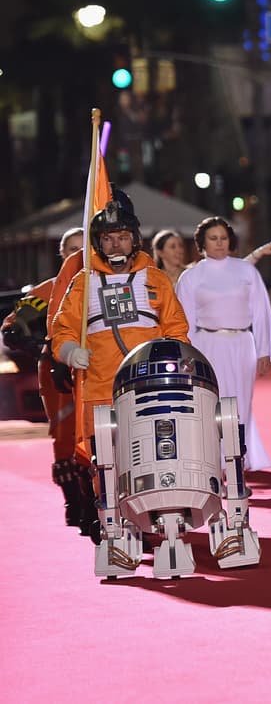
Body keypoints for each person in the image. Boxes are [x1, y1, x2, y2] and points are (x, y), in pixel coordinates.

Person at [49, 199, 189, 539]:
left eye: (122, 237)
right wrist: (69, 351)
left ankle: (158, 512)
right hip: (99, 387)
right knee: (105, 462)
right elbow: (62, 328)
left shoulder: (155, 279)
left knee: (155, 451)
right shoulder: (83, 283)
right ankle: (110, 518)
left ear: (135, 239)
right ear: (98, 242)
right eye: (108, 238)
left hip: (148, 386)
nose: (116, 244)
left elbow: (176, 328)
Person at [175, 216, 271, 472]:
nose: (219, 243)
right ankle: (214, 463)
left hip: (242, 344)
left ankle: (237, 462)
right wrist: (186, 356)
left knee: (241, 403)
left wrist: (264, 349)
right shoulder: (191, 277)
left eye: (223, 238)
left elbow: (261, 311)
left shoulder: (246, 271)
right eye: (213, 238)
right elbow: (184, 321)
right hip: (206, 345)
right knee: (211, 404)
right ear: (201, 243)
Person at [0, 227, 82, 528]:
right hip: (58, 372)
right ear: (61, 255)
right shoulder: (49, 290)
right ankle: (74, 497)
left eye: (83, 247)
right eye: (71, 249)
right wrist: (23, 336)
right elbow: (15, 321)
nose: (78, 254)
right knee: (65, 431)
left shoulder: (104, 286)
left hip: (101, 368)